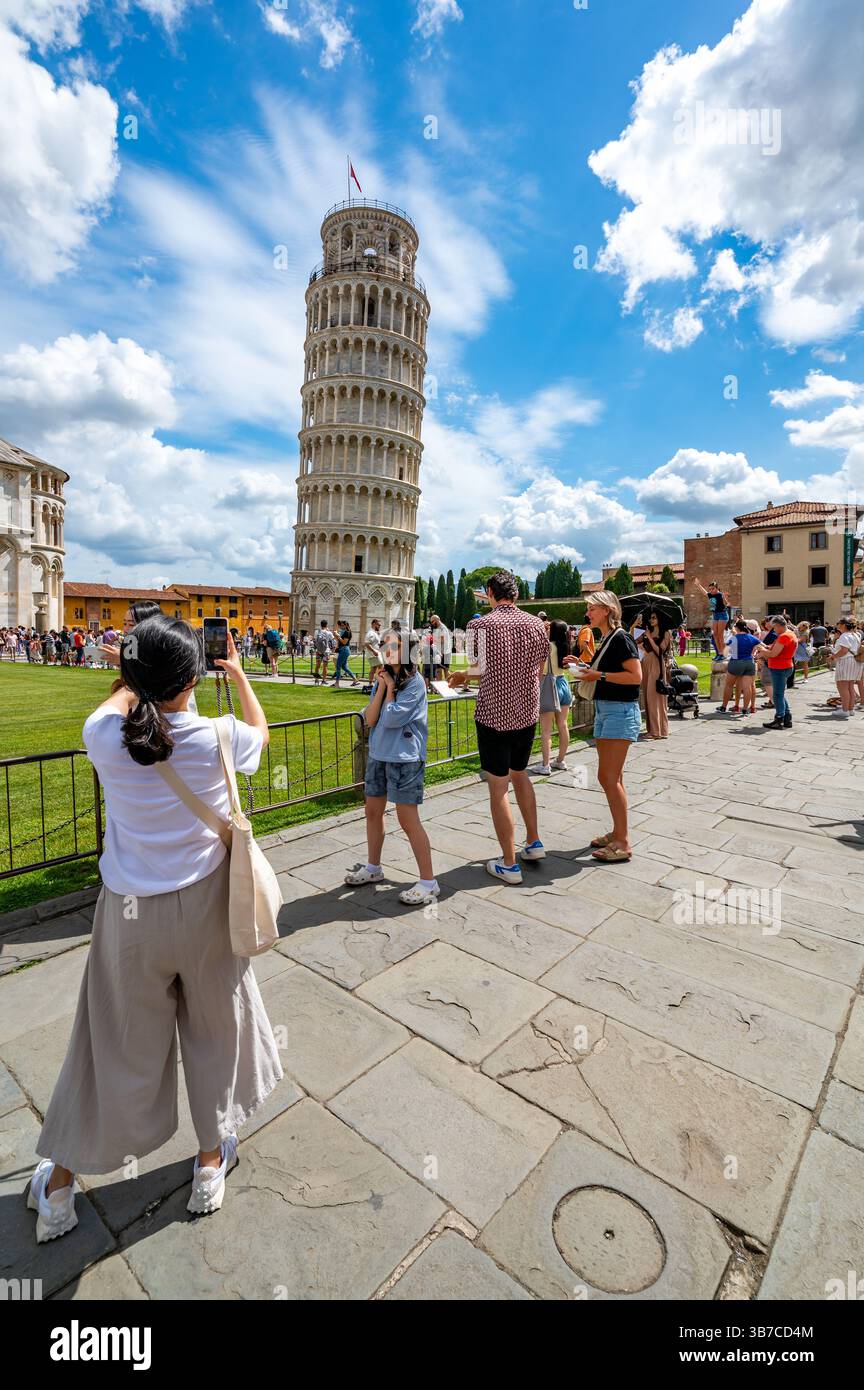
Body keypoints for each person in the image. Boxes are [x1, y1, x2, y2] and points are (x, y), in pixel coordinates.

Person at [28, 620, 281, 1242]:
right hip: (204, 910)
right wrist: (242, 673)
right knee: (215, 1032)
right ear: (193, 679)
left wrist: (131, 674)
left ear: (133, 680)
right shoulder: (219, 737)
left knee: (108, 1044)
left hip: (130, 912)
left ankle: (59, 1189)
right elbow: (262, 734)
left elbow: (119, 705)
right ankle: (208, 1164)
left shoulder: (103, 735)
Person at [448, 571, 548, 884]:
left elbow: (479, 670)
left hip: (494, 714)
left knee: (498, 786)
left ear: (490, 592)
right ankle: (533, 841)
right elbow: (541, 669)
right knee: (521, 774)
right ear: (515, 594)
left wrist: (462, 675)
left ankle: (508, 862)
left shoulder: (479, 625)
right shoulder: (535, 624)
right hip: (526, 713)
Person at [344, 628, 438, 906]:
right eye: (384, 644)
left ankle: (428, 882)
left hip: (405, 758)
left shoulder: (415, 683)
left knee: (408, 819)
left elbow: (394, 718)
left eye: (392, 645)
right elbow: (371, 719)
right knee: (372, 811)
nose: (385, 648)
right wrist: (383, 688)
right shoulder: (384, 678)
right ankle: (374, 867)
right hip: (380, 754)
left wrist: (386, 692)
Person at [574, 591, 642, 862]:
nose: (588, 613)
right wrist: (581, 667)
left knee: (608, 778)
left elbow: (635, 676)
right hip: (608, 709)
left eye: (592, 608)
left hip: (619, 712)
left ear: (607, 609)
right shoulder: (608, 638)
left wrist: (597, 674)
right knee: (613, 778)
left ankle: (623, 842)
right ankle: (617, 832)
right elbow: (604, 673)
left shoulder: (621, 637)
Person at [539, 619, 572, 773]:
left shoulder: (547, 646)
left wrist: (544, 633)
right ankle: (561, 760)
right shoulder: (565, 646)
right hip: (563, 682)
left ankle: (545, 765)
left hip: (548, 684)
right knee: (563, 725)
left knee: (546, 730)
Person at [760, 615, 798, 728]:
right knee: (780, 694)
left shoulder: (784, 636)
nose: (774, 630)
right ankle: (787, 718)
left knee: (777, 695)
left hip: (779, 667)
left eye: (774, 628)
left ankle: (779, 718)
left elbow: (773, 654)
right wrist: (767, 647)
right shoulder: (790, 634)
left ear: (778, 625)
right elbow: (777, 648)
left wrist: (762, 650)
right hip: (785, 666)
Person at [718, 618, 761, 715]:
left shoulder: (733, 638)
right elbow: (762, 646)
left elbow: (725, 653)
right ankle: (745, 709)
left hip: (736, 662)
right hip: (749, 662)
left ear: (737, 628)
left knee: (729, 685)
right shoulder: (752, 637)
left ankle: (723, 707)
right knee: (747, 688)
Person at [640, 611, 671, 739]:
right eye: (650, 618)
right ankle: (652, 729)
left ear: (660, 619)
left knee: (655, 698)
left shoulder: (666, 633)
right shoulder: (648, 632)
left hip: (657, 666)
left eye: (654, 618)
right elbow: (634, 642)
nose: (651, 620)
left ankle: (658, 731)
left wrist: (650, 638)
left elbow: (660, 651)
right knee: (648, 697)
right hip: (646, 665)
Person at [828, 618, 862, 718]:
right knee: (850, 687)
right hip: (855, 662)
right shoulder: (856, 634)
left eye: (838, 623)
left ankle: (845, 710)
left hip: (846, 662)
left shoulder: (844, 636)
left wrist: (832, 657)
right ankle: (850, 709)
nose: (837, 625)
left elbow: (844, 650)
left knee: (842, 687)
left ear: (843, 625)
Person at [694, 579, 730, 658]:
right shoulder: (710, 595)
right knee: (715, 635)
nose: (711, 590)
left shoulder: (720, 595)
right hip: (715, 615)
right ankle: (720, 653)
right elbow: (704, 593)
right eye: (710, 589)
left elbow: (726, 602)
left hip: (722, 615)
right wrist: (698, 585)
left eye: (713, 588)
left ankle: (725, 654)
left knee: (720, 635)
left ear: (717, 588)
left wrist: (726, 599)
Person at [331, 621, 359, 688]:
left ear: (346, 625)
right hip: (343, 650)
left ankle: (337, 683)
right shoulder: (345, 632)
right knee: (344, 667)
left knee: (338, 666)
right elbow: (340, 641)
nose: (342, 626)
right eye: (341, 625)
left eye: (343, 625)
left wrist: (338, 635)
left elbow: (344, 642)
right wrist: (337, 636)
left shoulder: (347, 632)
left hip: (344, 649)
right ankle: (355, 679)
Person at [363, 618, 382, 684]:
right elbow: (367, 643)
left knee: (374, 669)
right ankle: (378, 683)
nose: (380, 626)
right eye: (378, 625)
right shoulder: (371, 633)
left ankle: (371, 683)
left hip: (374, 653)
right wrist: (374, 651)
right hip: (373, 654)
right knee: (381, 667)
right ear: (374, 624)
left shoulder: (374, 633)